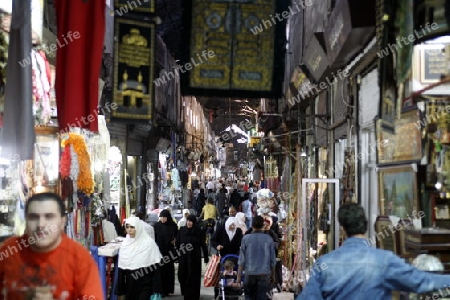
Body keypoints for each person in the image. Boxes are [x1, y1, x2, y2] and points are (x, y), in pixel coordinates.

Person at [297, 203, 450, 299]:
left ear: (343, 230)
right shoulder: (384, 261)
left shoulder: (324, 264)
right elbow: (422, 282)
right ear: (366, 226)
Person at [0, 192, 103, 299]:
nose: (40, 225)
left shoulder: (80, 259)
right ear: (26, 220)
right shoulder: (9, 250)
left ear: (62, 222)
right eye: (33, 217)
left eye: (49, 217)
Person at [115, 216, 163, 299]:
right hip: (130, 286)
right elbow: (121, 269)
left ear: (138, 227)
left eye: (132, 227)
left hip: (145, 285)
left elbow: (155, 269)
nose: (129, 230)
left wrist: (157, 289)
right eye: (127, 227)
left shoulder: (148, 243)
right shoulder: (125, 244)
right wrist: (120, 290)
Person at [237, 216, 276, 300]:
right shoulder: (269, 239)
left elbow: (241, 260)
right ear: (263, 225)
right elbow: (272, 260)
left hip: (249, 273)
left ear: (252, 225)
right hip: (264, 274)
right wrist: (273, 275)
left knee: (249, 297)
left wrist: (238, 277)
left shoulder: (245, 239)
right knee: (262, 297)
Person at [176, 215, 209, 299]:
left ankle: (192, 295)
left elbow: (203, 245)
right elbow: (177, 244)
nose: (188, 223)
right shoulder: (182, 230)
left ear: (194, 222)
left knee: (193, 277)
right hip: (184, 257)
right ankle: (185, 291)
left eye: (190, 221)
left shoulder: (199, 231)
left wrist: (206, 257)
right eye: (188, 221)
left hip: (195, 258)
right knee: (182, 275)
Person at [211, 216, 244, 298]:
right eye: (231, 225)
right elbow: (213, 240)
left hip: (235, 258)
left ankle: (234, 293)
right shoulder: (221, 229)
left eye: (234, 225)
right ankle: (219, 294)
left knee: (234, 275)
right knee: (222, 276)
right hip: (223, 257)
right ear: (227, 224)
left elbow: (241, 243)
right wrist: (217, 246)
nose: (233, 227)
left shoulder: (238, 231)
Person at [153, 209, 178, 297]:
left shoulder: (173, 225)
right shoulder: (157, 226)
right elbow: (154, 238)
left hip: (169, 251)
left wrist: (175, 240)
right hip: (159, 251)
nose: (163, 219)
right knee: (160, 271)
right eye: (161, 217)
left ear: (168, 217)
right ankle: (160, 290)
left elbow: (176, 236)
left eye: (164, 217)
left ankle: (167, 290)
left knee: (168, 271)